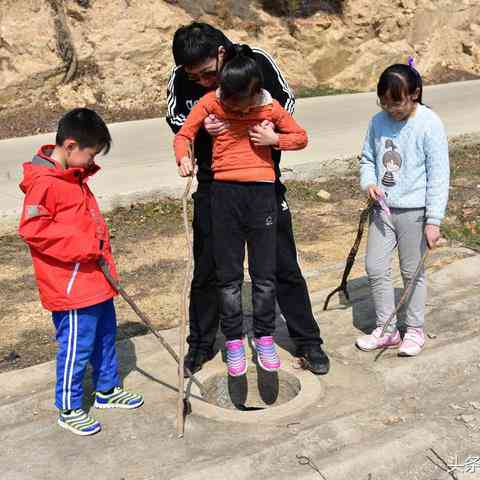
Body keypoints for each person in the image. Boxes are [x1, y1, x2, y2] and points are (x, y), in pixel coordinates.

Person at [166, 22, 329, 376]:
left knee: (282, 263)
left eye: (207, 74)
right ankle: (202, 344)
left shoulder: (257, 62)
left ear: (220, 53)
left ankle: (307, 340)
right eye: (194, 77)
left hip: (263, 183)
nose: (202, 82)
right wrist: (203, 136)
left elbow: (285, 103)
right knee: (209, 267)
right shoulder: (184, 78)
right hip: (215, 185)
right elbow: (177, 119)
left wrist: (263, 133)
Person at [18, 108, 144, 436]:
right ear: (71, 146)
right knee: (77, 344)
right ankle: (69, 406)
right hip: (71, 288)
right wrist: (84, 245)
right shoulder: (44, 184)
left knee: (105, 336)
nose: (91, 162)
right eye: (91, 155)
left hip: (96, 280)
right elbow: (34, 230)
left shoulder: (73, 177)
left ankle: (107, 389)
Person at [356, 60, 450, 356]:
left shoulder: (429, 123)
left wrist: (433, 220)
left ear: (415, 94)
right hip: (382, 209)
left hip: (415, 211)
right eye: (384, 104)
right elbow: (368, 159)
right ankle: (386, 330)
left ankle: (414, 330)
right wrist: (368, 183)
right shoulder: (377, 122)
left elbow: (439, 175)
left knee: (412, 271)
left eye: (396, 103)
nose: (391, 110)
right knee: (374, 266)